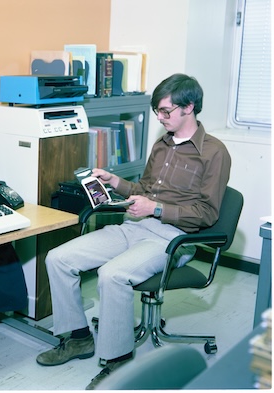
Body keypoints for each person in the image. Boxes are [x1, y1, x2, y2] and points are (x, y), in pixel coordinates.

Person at [35, 73, 231, 390]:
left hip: (174, 238)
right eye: (157, 111)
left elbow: (207, 215)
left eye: (165, 111)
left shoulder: (214, 153)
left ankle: (117, 362)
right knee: (58, 258)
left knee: (112, 274)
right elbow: (143, 189)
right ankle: (79, 339)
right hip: (135, 225)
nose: (159, 117)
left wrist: (155, 209)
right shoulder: (162, 144)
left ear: (189, 107)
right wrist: (115, 182)